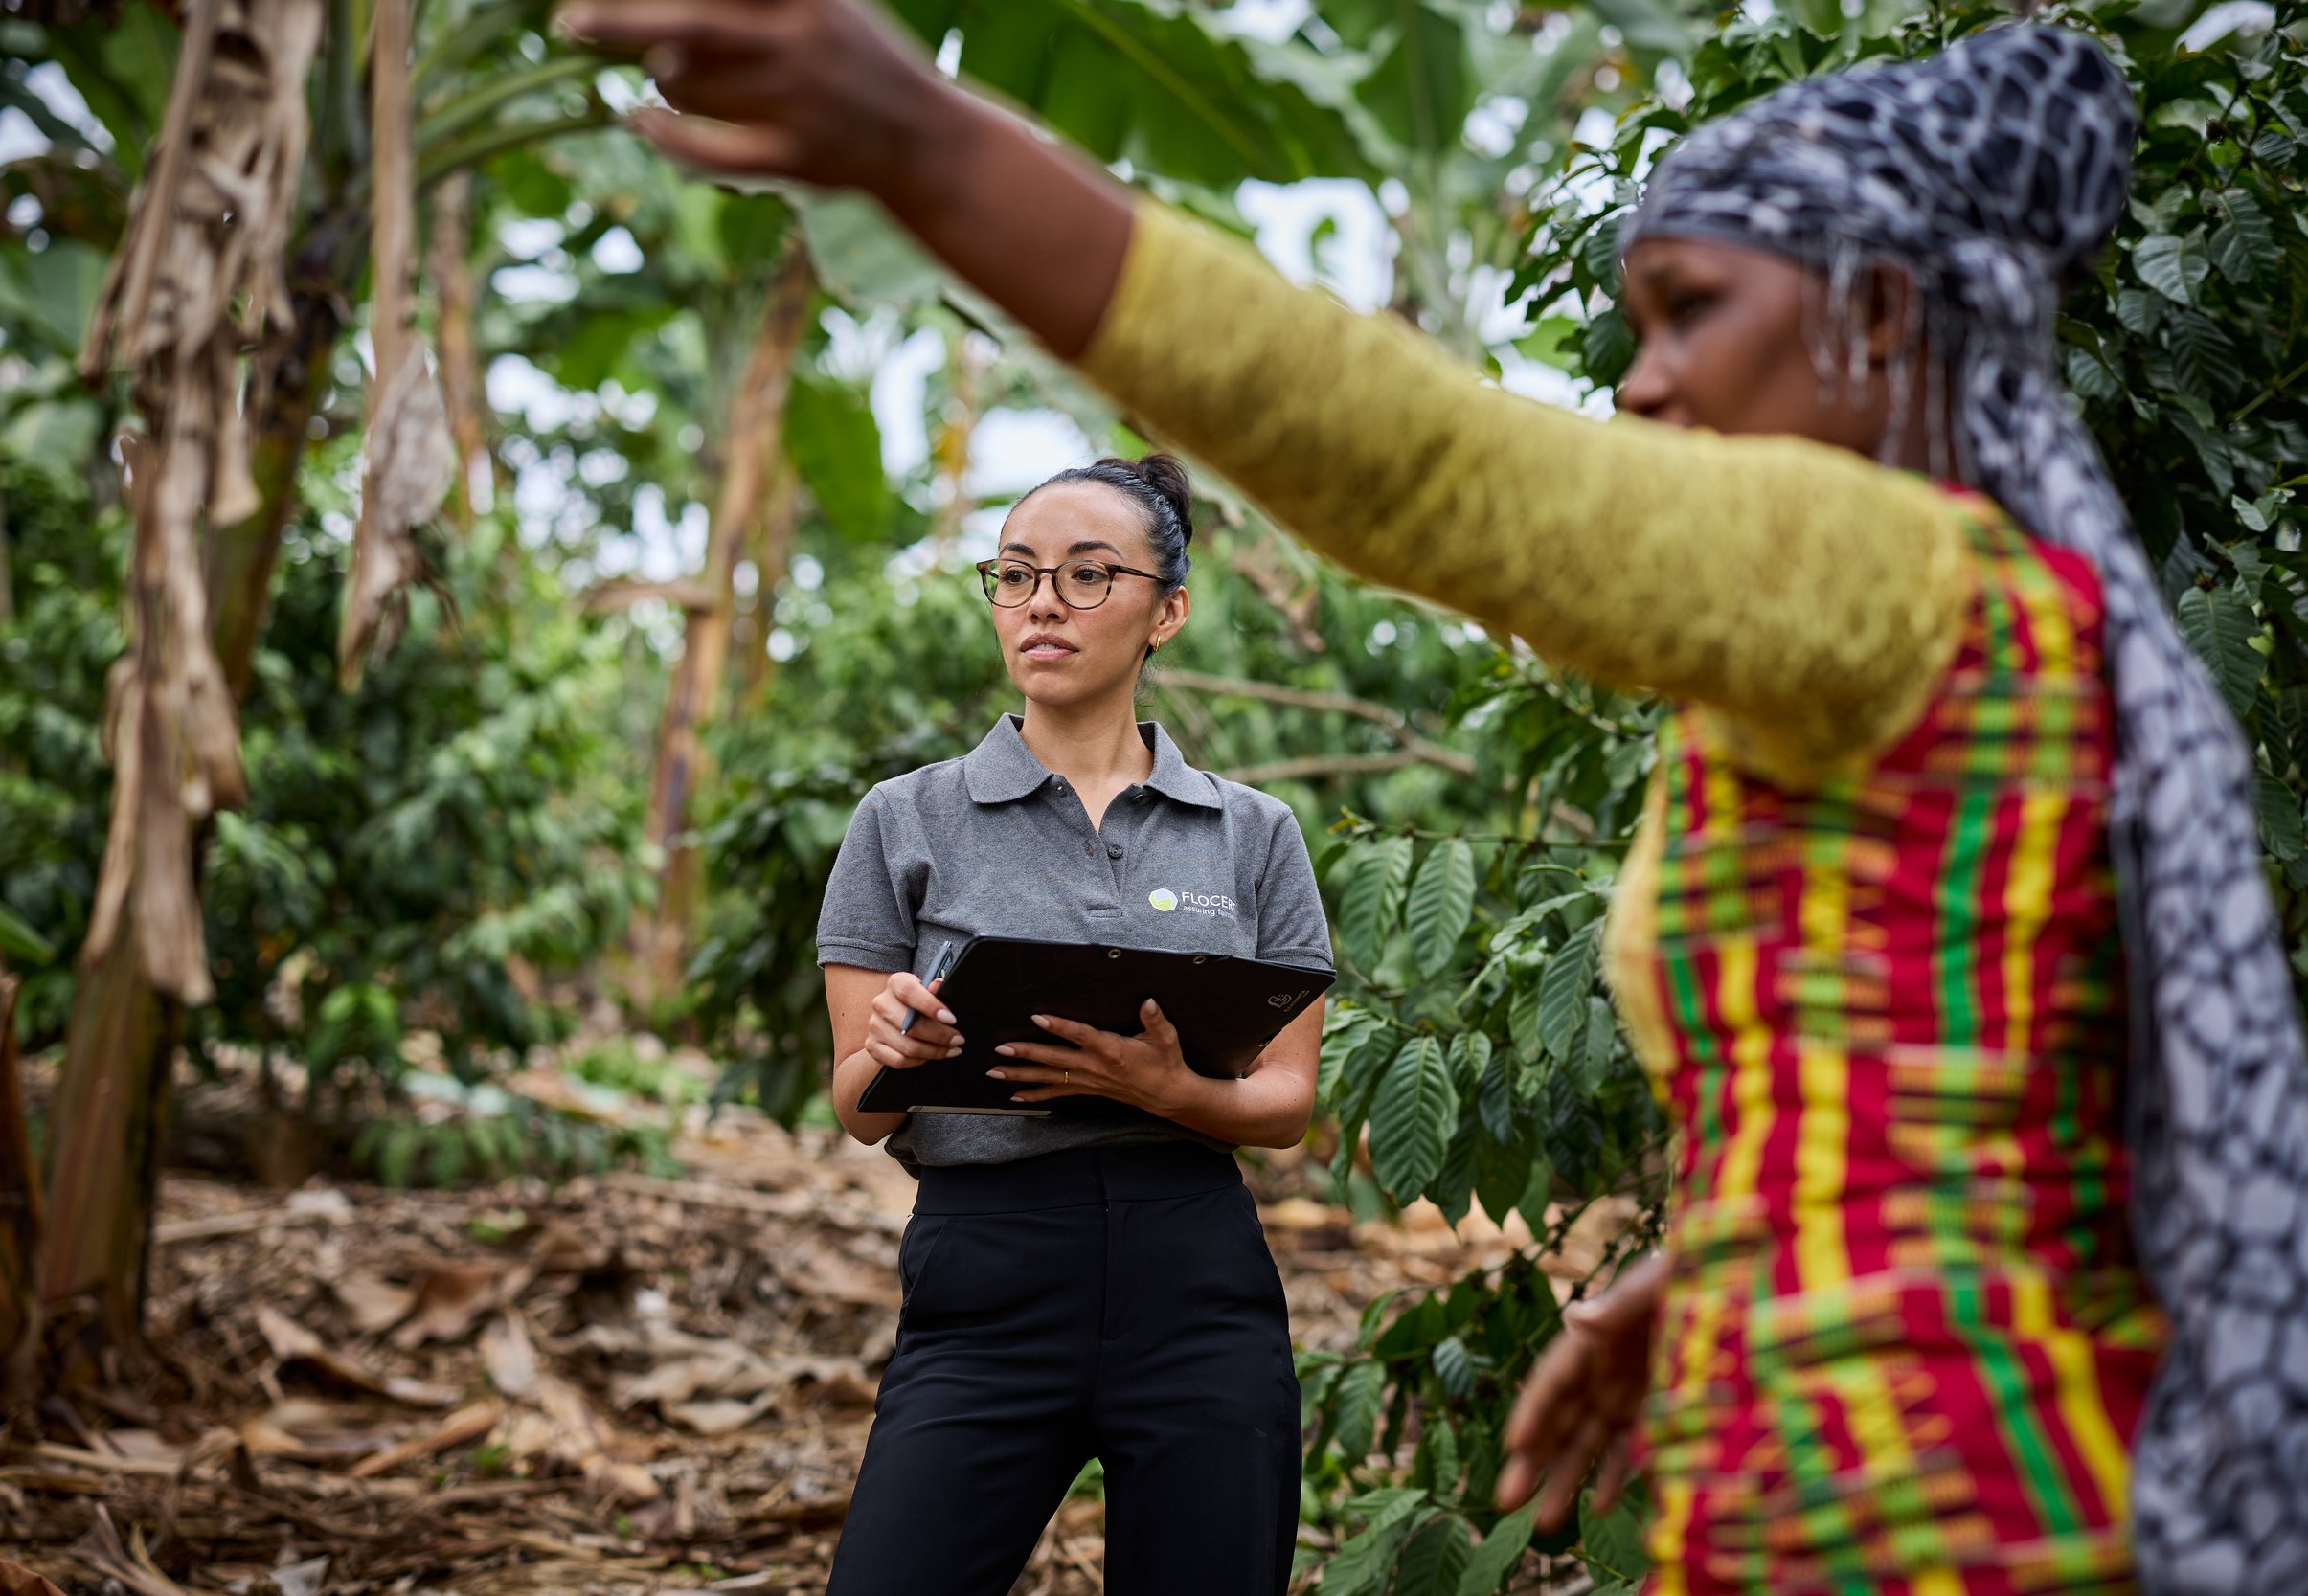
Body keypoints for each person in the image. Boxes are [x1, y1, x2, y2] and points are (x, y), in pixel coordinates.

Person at [554, 3, 2308, 1590]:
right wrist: (1710, 1280)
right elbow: (1969, 1089)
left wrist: (920, 137)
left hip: (1964, 1514)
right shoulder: (1931, 639)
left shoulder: (1890, 574)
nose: (1641, 382)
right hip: (1859, 1484)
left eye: (1696, 309)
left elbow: (1426, 464)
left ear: (1881, 313)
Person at [808, 454, 1333, 1596]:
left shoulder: (1253, 834)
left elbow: (1287, 1099)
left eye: (1089, 575)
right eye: (1015, 574)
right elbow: (854, 1107)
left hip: (1194, 1273)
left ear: (1168, 611)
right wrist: (891, 1053)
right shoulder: (903, 818)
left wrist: (1174, 1094)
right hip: (985, 1272)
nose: (1042, 601)